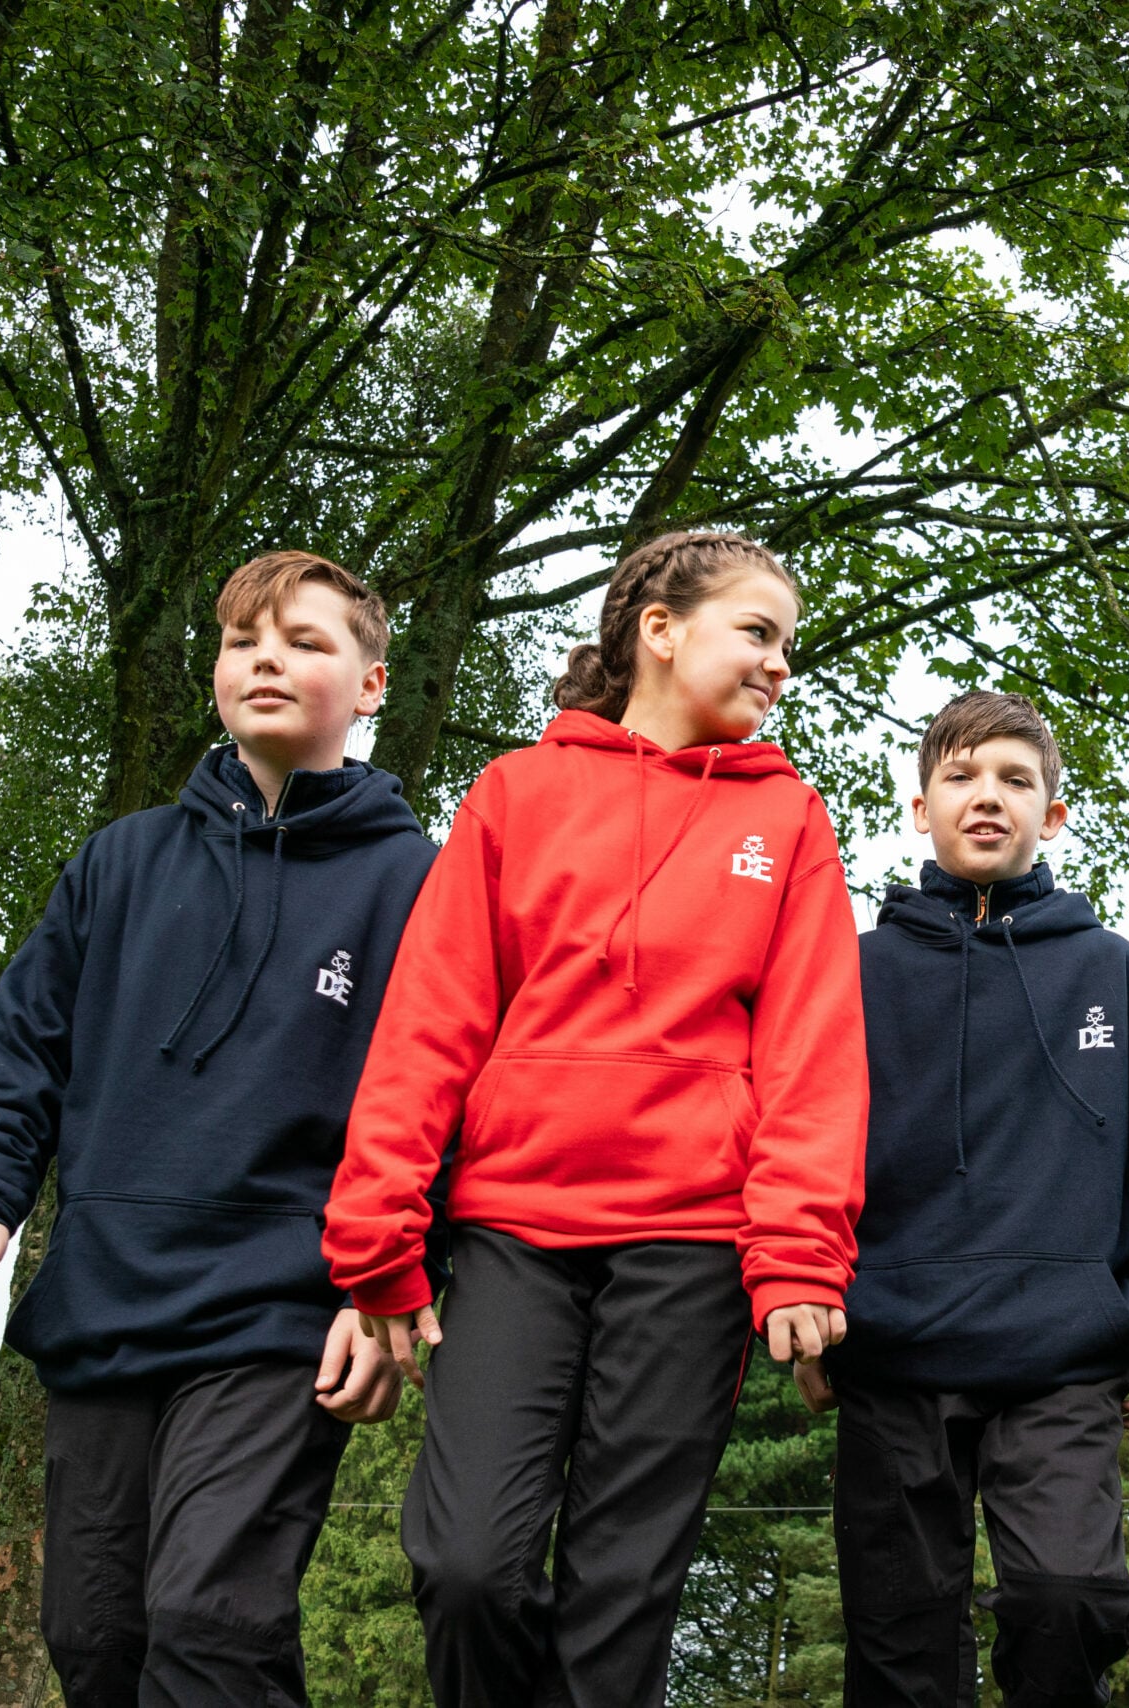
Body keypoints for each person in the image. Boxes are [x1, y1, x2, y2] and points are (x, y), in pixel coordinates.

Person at [322, 529, 869, 1707]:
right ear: (658, 631)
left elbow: (811, 1057)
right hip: (517, 1232)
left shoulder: (790, 819)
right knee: (466, 1564)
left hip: (692, 1247)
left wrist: (798, 1257)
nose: (780, 664)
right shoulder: (518, 791)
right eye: (757, 632)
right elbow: (431, 1021)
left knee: (621, 1595)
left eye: (789, 644)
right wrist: (380, 1236)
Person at [0, 552, 436, 1704]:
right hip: (104, 1302)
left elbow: (433, 1103)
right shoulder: (119, 862)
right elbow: (23, 1052)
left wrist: (385, 1280)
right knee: (95, 1636)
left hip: (278, 1312)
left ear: (370, 685)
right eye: (243, 639)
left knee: (213, 1624)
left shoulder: (417, 884)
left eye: (306, 641)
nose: (267, 659)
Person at [817, 690, 1129, 1708]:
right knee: (899, 1647)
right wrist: (806, 1302)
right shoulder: (849, 974)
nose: (986, 797)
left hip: (1059, 1360)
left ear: (1053, 814)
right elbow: (796, 1158)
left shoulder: (1113, 972)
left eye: (1015, 778)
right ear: (920, 809)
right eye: (960, 777)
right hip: (889, 1352)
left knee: (1068, 1599)